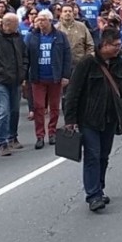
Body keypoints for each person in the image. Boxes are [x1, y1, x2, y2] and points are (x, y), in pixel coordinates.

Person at [63, 29, 122, 212]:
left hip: (110, 119)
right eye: (115, 45)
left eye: (119, 45)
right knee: (92, 155)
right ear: (104, 44)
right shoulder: (87, 63)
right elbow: (73, 92)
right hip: (89, 119)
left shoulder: (120, 64)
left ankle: (99, 188)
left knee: (103, 155)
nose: (119, 48)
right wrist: (70, 119)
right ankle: (93, 195)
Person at [0, 13, 29, 156]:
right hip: (1, 81)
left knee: (15, 110)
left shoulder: (17, 37)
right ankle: (2, 143)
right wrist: (1, 71)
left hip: (16, 80)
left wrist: (24, 70)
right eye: (16, 25)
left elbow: (24, 55)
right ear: (7, 24)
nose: (18, 28)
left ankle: (12, 137)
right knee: (3, 111)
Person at [26, 9, 72, 149]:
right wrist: (24, 77)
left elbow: (67, 57)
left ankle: (52, 132)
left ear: (50, 21)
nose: (40, 22)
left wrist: (65, 75)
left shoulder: (60, 37)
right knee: (39, 107)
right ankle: (40, 135)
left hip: (55, 77)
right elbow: (26, 57)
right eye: (38, 20)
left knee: (54, 107)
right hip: (38, 77)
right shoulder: (32, 37)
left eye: (43, 19)